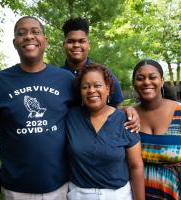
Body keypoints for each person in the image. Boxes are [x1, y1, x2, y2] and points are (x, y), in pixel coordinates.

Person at [0, 16, 74, 200]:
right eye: (21, 33)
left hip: (59, 186)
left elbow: (94, 110)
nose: (29, 36)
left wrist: (129, 111)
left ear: (45, 41)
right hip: (16, 189)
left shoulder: (66, 80)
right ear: (15, 42)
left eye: (35, 31)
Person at [66, 63, 145, 200]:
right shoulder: (71, 117)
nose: (91, 90)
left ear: (107, 89)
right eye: (85, 87)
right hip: (79, 195)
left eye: (97, 85)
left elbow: (136, 166)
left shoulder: (125, 120)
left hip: (118, 195)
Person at [61, 17, 140, 133]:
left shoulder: (104, 74)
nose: (76, 45)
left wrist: (129, 110)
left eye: (81, 41)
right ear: (64, 45)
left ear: (89, 45)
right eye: (71, 41)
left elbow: (116, 107)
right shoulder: (56, 77)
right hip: (67, 137)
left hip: (100, 136)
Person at [132, 59, 181, 199]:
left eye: (152, 77)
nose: (147, 82)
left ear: (162, 81)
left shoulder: (179, 112)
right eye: (140, 78)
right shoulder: (127, 117)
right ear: (134, 84)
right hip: (136, 193)